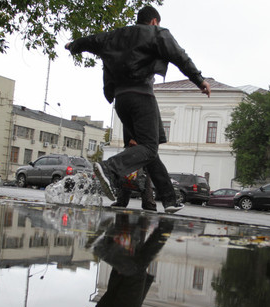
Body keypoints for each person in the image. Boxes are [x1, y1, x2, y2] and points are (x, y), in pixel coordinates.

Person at [65, 6, 211, 213]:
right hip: (141, 96)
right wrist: (199, 80)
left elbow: (91, 41)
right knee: (150, 148)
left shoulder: (113, 36)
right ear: (154, 21)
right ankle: (109, 169)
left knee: (147, 150)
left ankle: (170, 199)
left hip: (121, 99)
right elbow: (179, 55)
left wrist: (73, 45)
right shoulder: (156, 33)